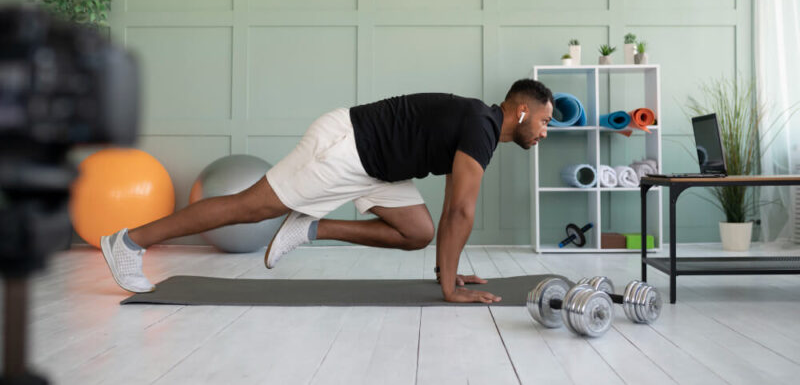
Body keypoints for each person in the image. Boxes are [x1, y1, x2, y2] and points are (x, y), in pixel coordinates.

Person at [100, 78, 553, 303]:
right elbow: (461, 213)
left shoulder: (479, 127)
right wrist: (452, 291)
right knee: (251, 207)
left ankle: (310, 227)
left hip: (380, 167)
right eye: (545, 120)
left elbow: (454, 206)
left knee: (416, 231)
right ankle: (128, 242)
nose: (545, 131)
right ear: (521, 111)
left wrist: (448, 276)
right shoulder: (481, 125)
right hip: (349, 146)